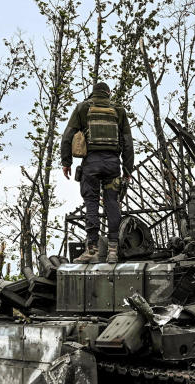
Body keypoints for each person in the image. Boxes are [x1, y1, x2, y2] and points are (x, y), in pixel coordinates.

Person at [61, 81, 134, 264]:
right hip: (112, 164)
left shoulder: (83, 108)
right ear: (108, 93)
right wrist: (127, 169)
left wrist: (66, 162)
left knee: (91, 202)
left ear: (93, 93)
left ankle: (91, 250)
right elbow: (127, 142)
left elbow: (67, 136)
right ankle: (112, 250)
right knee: (112, 203)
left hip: (91, 164)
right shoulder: (118, 110)